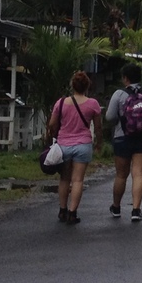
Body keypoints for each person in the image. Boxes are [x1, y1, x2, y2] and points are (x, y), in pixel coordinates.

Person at [106, 62, 142, 221]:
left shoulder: (119, 94)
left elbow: (110, 117)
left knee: (121, 175)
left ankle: (116, 207)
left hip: (122, 138)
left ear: (125, 78)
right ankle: (136, 210)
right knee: (138, 174)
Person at [47, 70, 101, 224]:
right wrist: (99, 143)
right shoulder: (93, 104)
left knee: (64, 179)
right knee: (77, 180)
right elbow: (98, 127)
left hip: (63, 145)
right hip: (83, 145)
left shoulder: (62, 102)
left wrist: (55, 135)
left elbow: (52, 124)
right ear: (87, 86)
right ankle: (72, 213)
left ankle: (62, 210)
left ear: (72, 85)